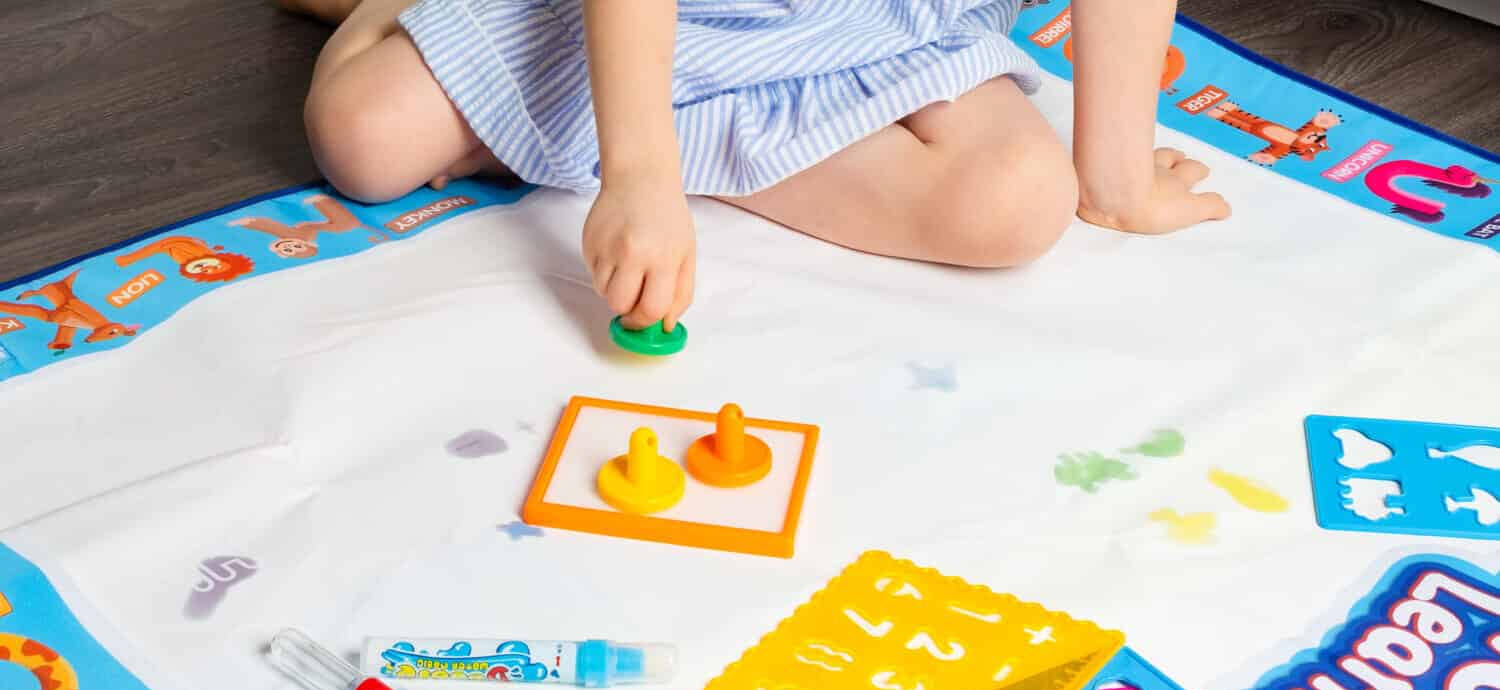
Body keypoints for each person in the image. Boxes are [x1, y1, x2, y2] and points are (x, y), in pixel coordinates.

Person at [281, 0, 1230, 332]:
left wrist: (1115, 181)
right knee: (367, 139)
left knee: (1018, 205)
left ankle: (682, 130)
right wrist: (638, 172)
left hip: (883, 28)